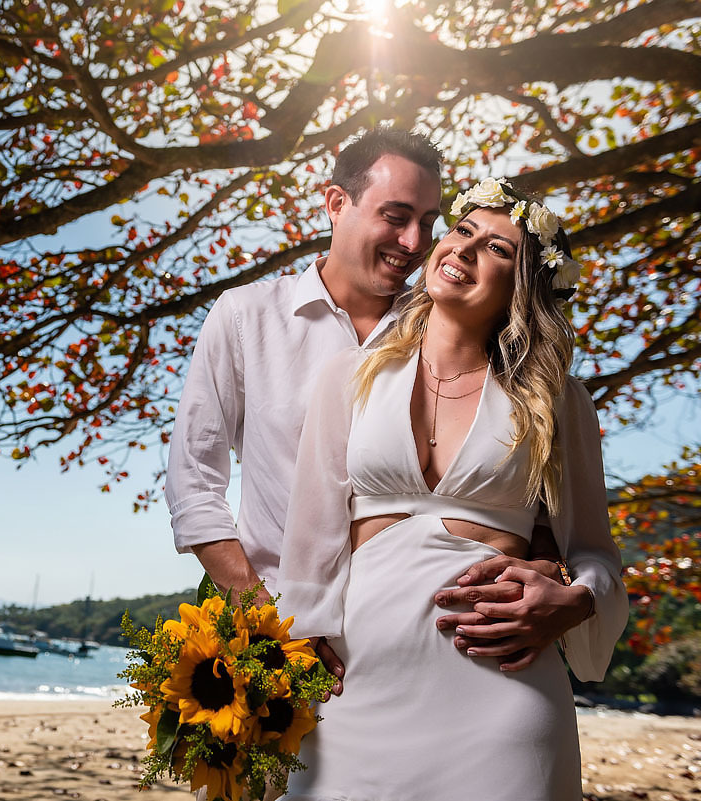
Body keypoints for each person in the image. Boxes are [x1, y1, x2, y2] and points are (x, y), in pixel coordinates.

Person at [166, 127, 582, 691]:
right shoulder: (245, 318)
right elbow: (193, 482)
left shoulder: (461, 318)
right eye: (395, 215)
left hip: (439, 645)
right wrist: (267, 615)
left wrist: (549, 571)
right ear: (337, 203)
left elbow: (522, 475)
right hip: (275, 640)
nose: (414, 242)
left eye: (430, 222)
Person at [276, 180, 628, 799]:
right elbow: (310, 540)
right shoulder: (348, 378)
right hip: (352, 692)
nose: (463, 250)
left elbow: (596, 555)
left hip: (504, 700)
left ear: (524, 288)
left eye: (497, 249)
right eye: (463, 231)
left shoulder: (557, 402)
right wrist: (297, 648)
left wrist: (574, 603)